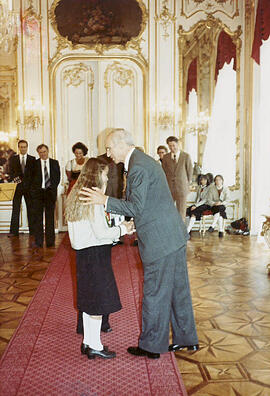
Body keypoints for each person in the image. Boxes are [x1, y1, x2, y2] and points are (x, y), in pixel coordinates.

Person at [79, 128, 198, 359]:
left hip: (161, 240)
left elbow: (135, 206)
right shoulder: (141, 162)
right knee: (178, 291)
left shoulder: (138, 167)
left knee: (154, 293)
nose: (108, 152)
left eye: (109, 147)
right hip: (171, 235)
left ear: (122, 144)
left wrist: (104, 200)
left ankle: (151, 346)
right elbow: (146, 203)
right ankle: (187, 339)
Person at [65, 158, 134, 359]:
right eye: (104, 174)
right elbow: (102, 233)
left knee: (88, 301)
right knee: (97, 302)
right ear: (96, 175)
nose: (106, 178)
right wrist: (123, 229)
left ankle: (88, 341)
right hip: (95, 255)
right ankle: (95, 345)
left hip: (83, 254)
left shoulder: (76, 194)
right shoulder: (93, 198)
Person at [31, 144, 61, 247]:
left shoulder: (54, 163)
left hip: (50, 193)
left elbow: (57, 178)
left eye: (44, 151)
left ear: (48, 151)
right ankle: (38, 242)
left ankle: (50, 242)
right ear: (38, 153)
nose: (43, 154)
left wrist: (52, 189)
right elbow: (30, 179)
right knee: (38, 219)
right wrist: (34, 191)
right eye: (40, 152)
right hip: (38, 194)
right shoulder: (34, 164)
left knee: (50, 218)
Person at [8, 140, 36, 237]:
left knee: (31, 209)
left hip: (29, 188)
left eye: (24, 147)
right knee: (15, 209)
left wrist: (31, 186)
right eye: (21, 147)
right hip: (17, 188)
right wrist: (15, 179)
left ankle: (33, 231)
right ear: (18, 148)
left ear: (27, 147)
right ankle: (13, 232)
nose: (23, 148)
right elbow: (10, 172)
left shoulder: (32, 159)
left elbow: (34, 175)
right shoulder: (13, 159)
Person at [162, 136, 193, 221]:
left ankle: (181, 232)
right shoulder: (166, 157)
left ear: (178, 144)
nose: (172, 148)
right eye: (170, 146)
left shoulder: (186, 156)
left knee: (181, 211)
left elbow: (189, 172)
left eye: (174, 145)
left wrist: (187, 185)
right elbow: (163, 173)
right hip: (169, 188)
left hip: (182, 188)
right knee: (168, 210)